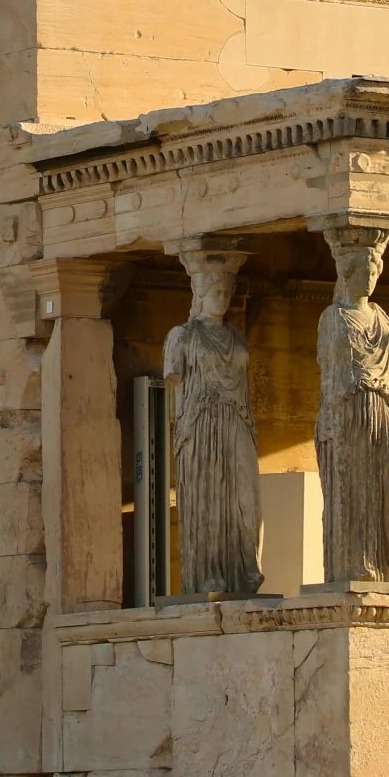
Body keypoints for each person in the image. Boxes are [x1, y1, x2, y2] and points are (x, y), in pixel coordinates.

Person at [163, 251, 262, 594]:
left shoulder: (236, 336)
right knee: (208, 496)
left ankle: (244, 570)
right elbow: (175, 382)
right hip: (201, 423)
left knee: (245, 497)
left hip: (236, 419)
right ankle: (208, 574)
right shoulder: (183, 336)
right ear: (200, 294)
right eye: (216, 292)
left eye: (226, 292)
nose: (223, 298)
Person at [315, 229, 389, 582]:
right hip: (348, 409)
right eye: (362, 273)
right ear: (346, 274)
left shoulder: (383, 319)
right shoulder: (333, 318)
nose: (369, 280)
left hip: (383, 408)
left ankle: (386, 567)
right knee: (353, 487)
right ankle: (354, 567)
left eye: (373, 273)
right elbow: (329, 371)